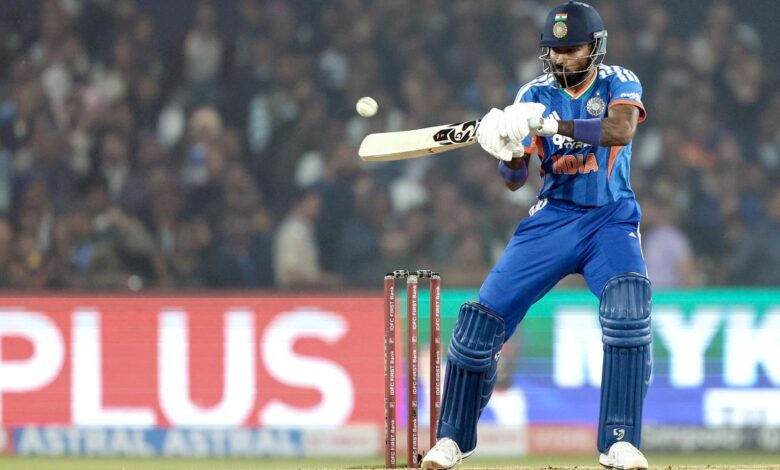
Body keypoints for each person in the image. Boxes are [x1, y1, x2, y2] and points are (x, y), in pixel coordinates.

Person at [421, 2, 652, 469]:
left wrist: (553, 125)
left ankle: (619, 441)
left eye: (573, 49)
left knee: (628, 311)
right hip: (552, 220)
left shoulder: (618, 81)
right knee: (478, 326)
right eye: (556, 50)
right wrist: (507, 151)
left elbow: (621, 130)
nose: (563, 58)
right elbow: (514, 180)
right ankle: (452, 440)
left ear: (595, 48)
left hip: (609, 218)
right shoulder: (531, 94)